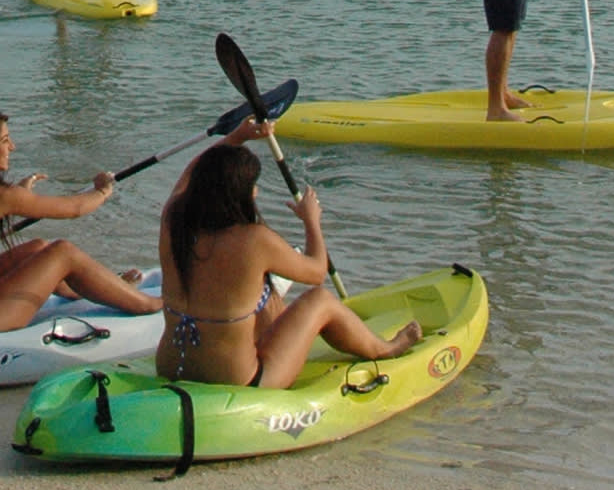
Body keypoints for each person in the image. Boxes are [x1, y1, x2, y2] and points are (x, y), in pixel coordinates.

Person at [156, 128, 419, 389]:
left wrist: (237, 136)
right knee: (321, 300)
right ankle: (385, 349)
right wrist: (311, 222)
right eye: (253, 186)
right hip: (240, 381)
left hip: (170, 368)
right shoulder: (254, 240)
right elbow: (316, 273)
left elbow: (191, 174)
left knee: (265, 298)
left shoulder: (173, 221)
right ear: (239, 193)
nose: (256, 191)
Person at [0, 102, 162, 331]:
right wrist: (102, 191)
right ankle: (149, 304)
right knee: (63, 252)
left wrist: (19, 195)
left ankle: (86, 292)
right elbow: (74, 208)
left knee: (38, 248)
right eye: (5, 141)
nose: (12, 147)